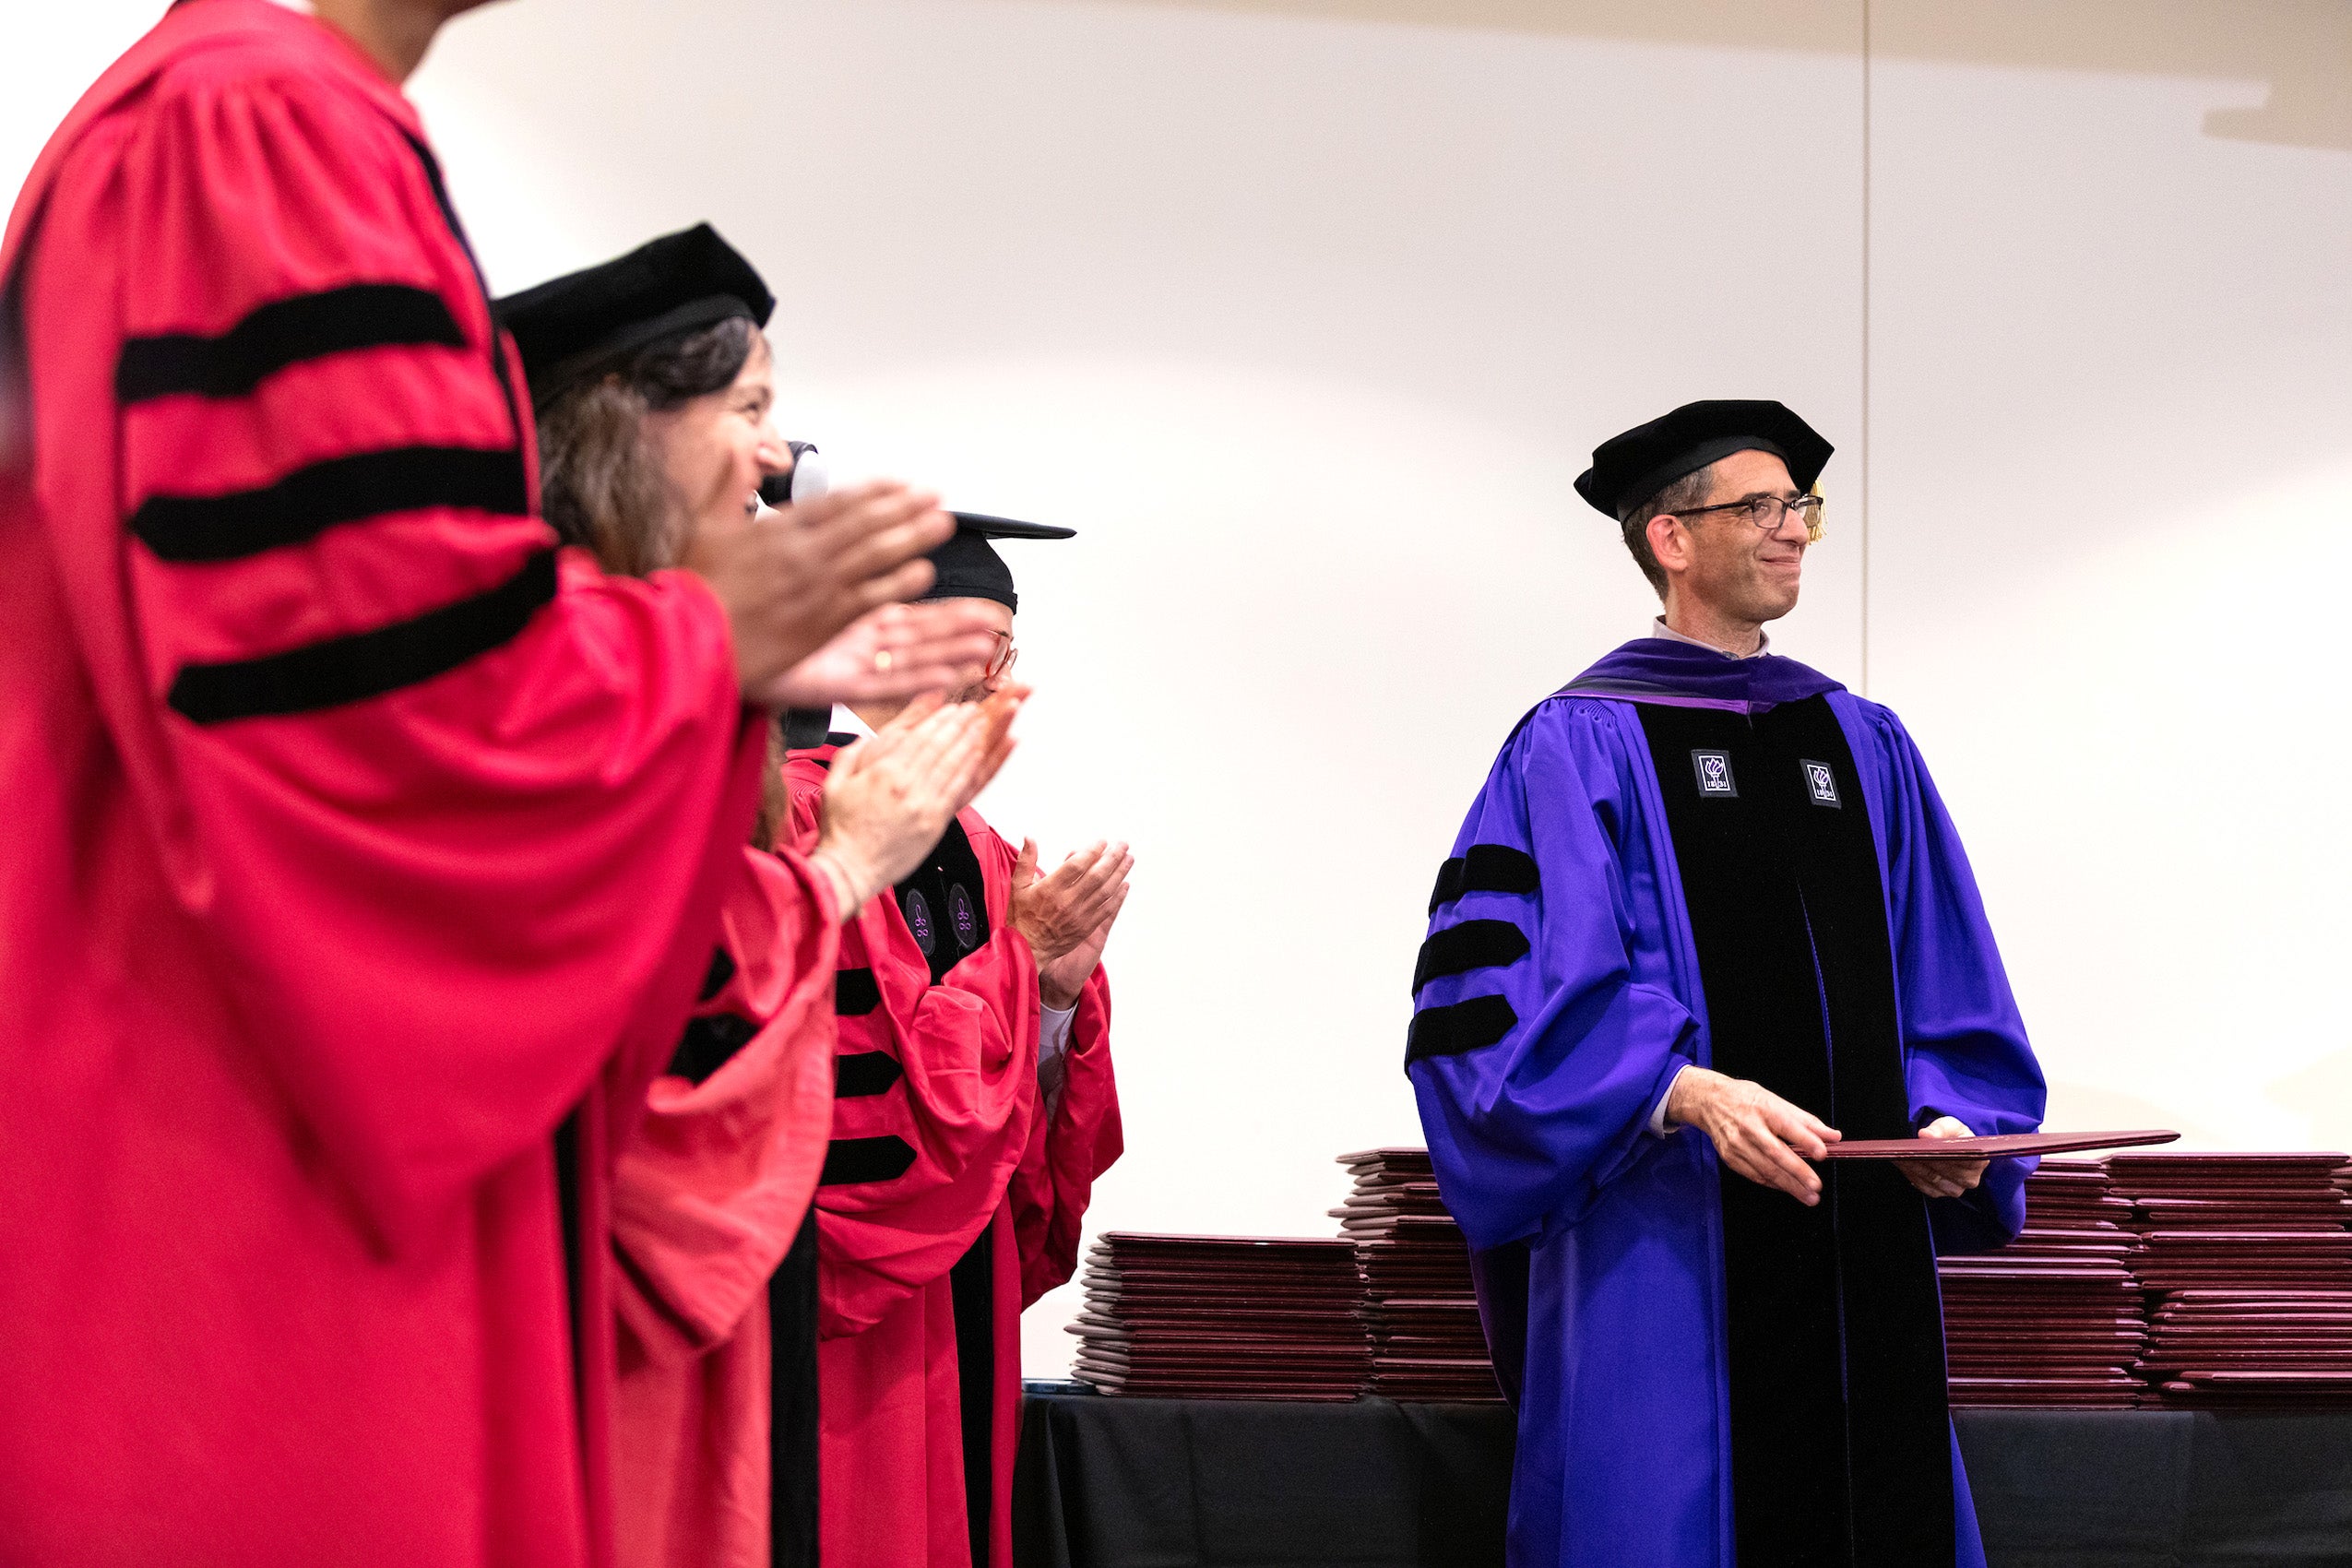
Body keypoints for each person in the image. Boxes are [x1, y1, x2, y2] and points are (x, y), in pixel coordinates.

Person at [0, 6, 968, 1564]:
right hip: (246, 1179)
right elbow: (396, 728)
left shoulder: (253, 115)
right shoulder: (257, 129)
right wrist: (703, 651)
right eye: (744, 410)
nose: (778, 459)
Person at [1407, 400, 2047, 1568]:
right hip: (1665, 1249)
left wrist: (1955, 1120)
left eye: (1799, 505)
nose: (1792, 527)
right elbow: (1495, 1012)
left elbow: (1949, 973)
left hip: (1863, 1259)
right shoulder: (1577, 741)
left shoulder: (1861, 741)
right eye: (1758, 505)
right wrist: (1679, 1087)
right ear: (1670, 537)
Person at [497, 225, 1021, 1568]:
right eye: (747, 411)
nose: (776, 462)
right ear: (621, 429)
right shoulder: (556, 661)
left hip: (670, 1277)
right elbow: (623, 979)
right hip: (560, 1271)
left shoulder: (650, 666)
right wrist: (843, 866)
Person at [786, 519, 1130, 1568]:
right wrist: (1015, 970)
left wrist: (1059, 1003)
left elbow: (1005, 1134)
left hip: (956, 1286)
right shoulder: (796, 823)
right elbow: (849, 1090)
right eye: (966, 645)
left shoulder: (983, 850)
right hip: (823, 1295)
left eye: (1005, 649)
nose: (991, 677)